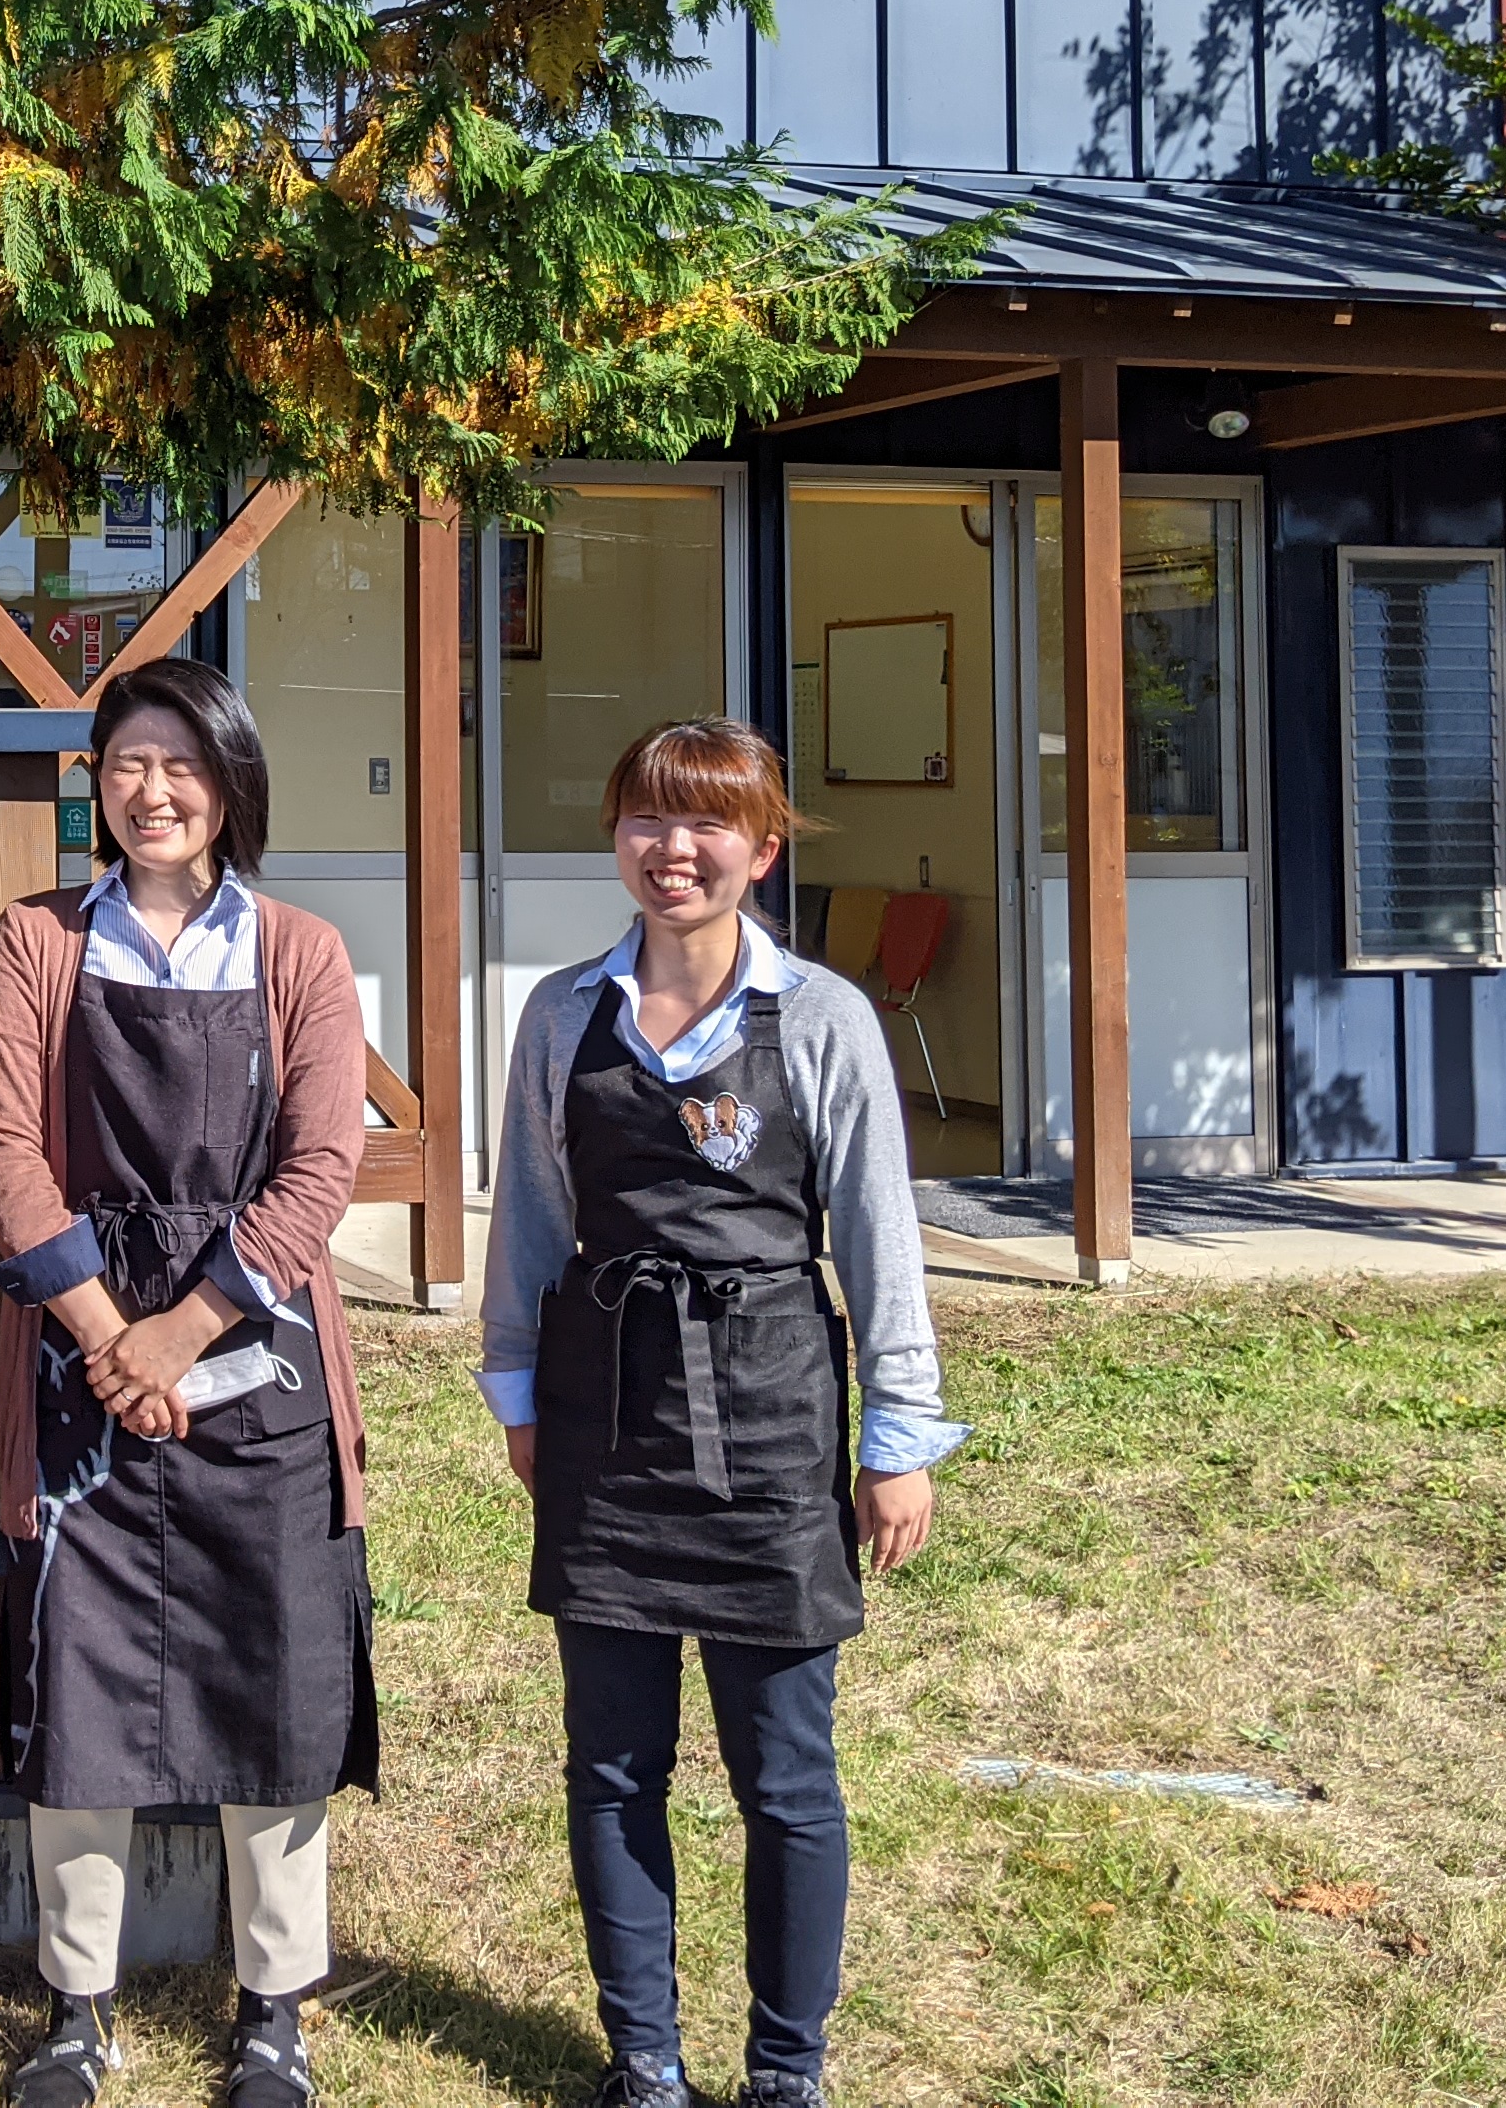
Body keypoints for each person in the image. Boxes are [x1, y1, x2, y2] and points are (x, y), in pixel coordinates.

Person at [477, 716, 965, 2108]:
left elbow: (877, 1240)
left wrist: (899, 1439)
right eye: (648, 817)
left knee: (787, 1775)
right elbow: (532, 1219)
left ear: (761, 848)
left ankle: (786, 2071)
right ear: (615, 836)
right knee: (612, 1764)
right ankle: (644, 2060)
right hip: (606, 1409)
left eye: (707, 823)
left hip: (772, 1415)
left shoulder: (821, 1018)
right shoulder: (562, 1014)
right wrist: (518, 1390)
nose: (673, 849)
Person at [0, 657, 378, 2108]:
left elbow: (321, 1169)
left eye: (183, 765)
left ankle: (275, 2011)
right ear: (97, 783)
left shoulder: (300, 952)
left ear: (231, 785)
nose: (153, 791)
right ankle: (76, 2007)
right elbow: (8, 1151)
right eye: (128, 763)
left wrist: (179, 1333)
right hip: (82, 1361)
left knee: (276, 1677)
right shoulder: (37, 941)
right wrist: (105, 1335)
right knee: (78, 1686)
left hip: (255, 1361)